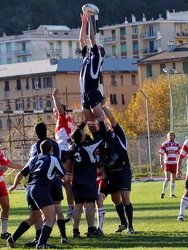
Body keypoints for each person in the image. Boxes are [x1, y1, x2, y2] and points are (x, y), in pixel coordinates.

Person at [6, 140, 68, 249]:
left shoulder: (34, 159)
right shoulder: (54, 159)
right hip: (40, 188)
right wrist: (61, 178)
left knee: (33, 218)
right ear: (52, 149)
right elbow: (65, 177)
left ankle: (12, 238)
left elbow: (20, 174)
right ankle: (41, 244)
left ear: (40, 149)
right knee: (51, 217)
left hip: (29, 189)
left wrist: (14, 186)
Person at [79, 10, 117, 167]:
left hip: (94, 93)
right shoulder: (87, 57)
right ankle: (101, 152)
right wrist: (83, 24)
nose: (93, 47)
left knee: (101, 122)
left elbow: (91, 38)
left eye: (96, 47)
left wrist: (91, 20)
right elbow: (82, 39)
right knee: (91, 125)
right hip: (84, 95)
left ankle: (112, 151)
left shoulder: (97, 57)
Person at [24, 122, 70, 246]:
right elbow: (65, 158)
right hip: (55, 180)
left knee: (39, 210)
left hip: (42, 181)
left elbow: (33, 163)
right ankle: (63, 236)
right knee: (58, 208)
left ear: (36, 133)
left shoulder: (35, 146)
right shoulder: (56, 144)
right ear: (46, 131)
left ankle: (39, 238)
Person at [68, 120, 106, 239]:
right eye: (83, 133)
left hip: (76, 180)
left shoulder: (72, 146)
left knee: (78, 205)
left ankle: (75, 231)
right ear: (82, 138)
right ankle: (91, 229)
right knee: (90, 203)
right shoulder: (88, 147)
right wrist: (101, 123)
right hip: (88, 180)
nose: (85, 133)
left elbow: (73, 137)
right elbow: (101, 137)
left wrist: (83, 124)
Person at [101, 104, 134, 234]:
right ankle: (123, 223)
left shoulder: (120, 136)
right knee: (115, 200)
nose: (110, 128)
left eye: (110, 127)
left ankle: (130, 226)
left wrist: (103, 107)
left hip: (123, 171)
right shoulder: (105, 140)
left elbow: (113, 120)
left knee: (125, 198)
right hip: (111, 174)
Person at [52, 88, 76, 222]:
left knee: (66, 182)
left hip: (65, 154)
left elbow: (60, 110)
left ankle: (70, 209)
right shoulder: (65, 122)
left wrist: (54, 97)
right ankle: (72, 208)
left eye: (55, 109)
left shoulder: (63, 117)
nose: (55, 112)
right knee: (66, 182)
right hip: (64, 153)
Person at [159, 132, 181, 198]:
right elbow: (161, 154)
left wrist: (180, 164)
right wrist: (161, 163)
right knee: (167, 178)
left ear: (174, 137)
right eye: (169, 136)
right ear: (167, 137)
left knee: (173, 179)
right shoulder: (165, 144)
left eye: (172, 135)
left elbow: (181, 154)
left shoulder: (177, 144)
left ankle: (172, 194)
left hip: (174, 163)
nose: (171, 137)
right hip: (167, 163)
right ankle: (163, 193)